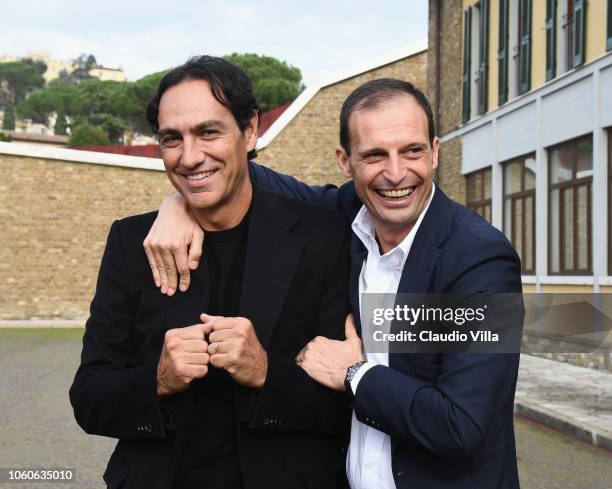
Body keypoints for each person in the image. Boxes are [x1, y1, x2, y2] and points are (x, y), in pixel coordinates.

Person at [145, 78, 523, 489]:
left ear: (434, 151)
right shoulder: (345, 213)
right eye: (375, 155)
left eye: (412, 151)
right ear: (346, 161)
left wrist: (355, 374)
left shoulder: (479, 259)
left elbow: (462, 425)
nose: (396, 174)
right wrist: (178, 202)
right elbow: (230, 173)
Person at [69, 55, 352, 489]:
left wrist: (265, 372)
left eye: (208, 132)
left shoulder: (324, 238)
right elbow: (89, 400)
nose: (189, 157)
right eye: (171, 139)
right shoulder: (131, 243)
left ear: (251, 130)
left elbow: (349, 407)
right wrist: (158, 380)